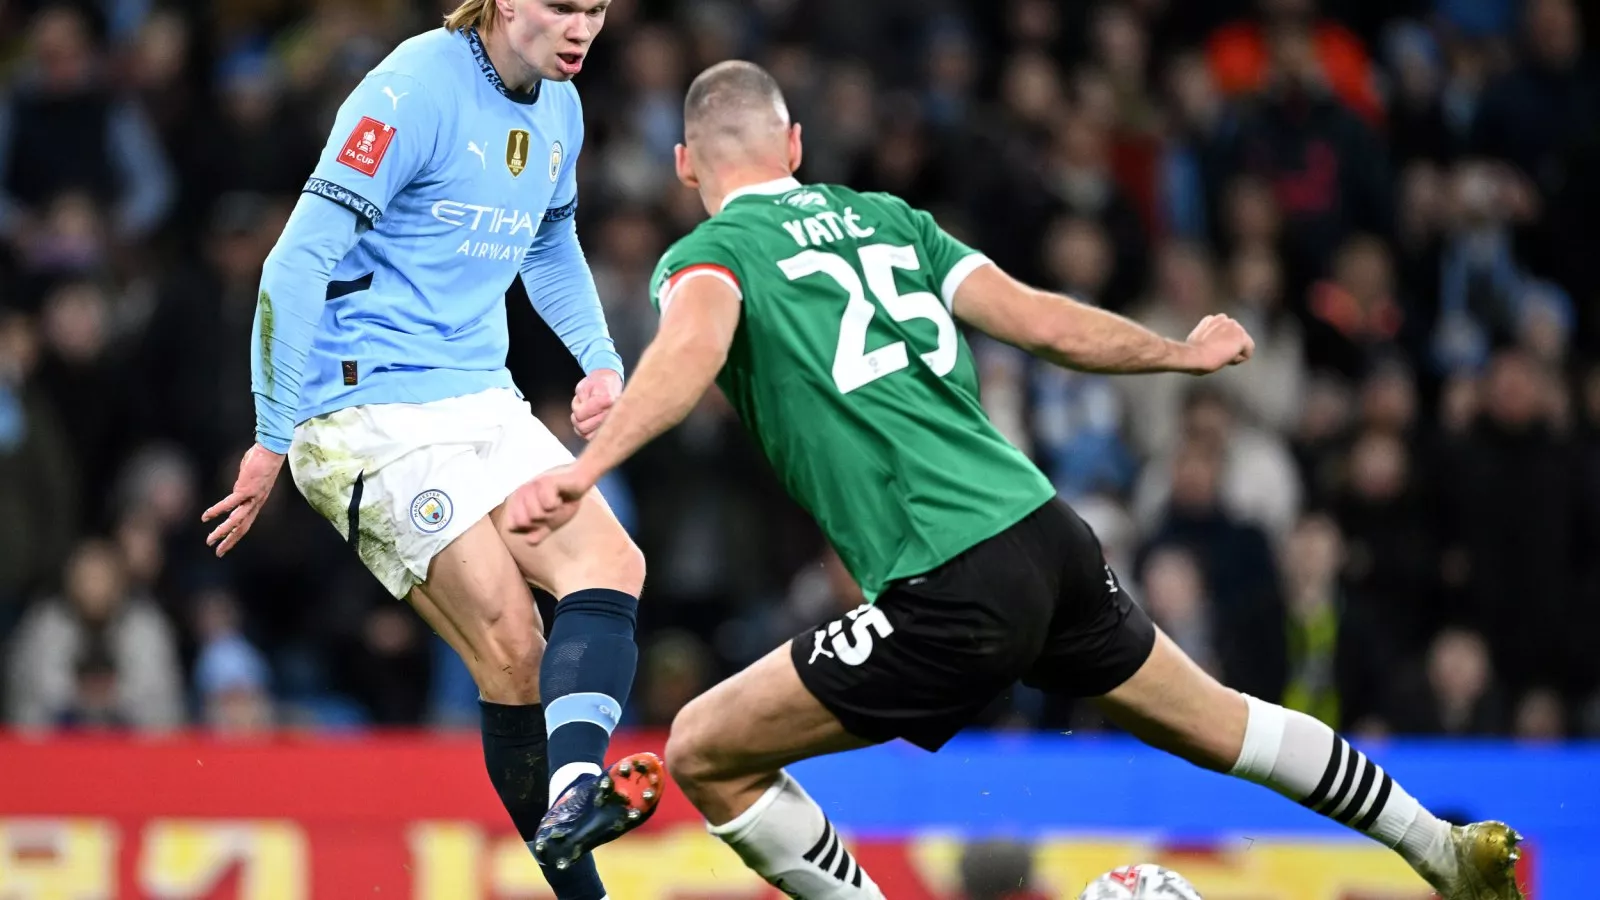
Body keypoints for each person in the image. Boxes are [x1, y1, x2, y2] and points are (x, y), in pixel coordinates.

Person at [509, 61, 1524, 900]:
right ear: (798, 146)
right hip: (1047, 533)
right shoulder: (893, 221)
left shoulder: (711, 252)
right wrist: (1176, 352)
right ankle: (1438, 848)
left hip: (944, 575)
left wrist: (591, 461)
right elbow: (1043, 319)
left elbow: (689, 353)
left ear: (687, 165)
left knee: (703, 751)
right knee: (1225, 722)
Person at [199, 2, 659, 898]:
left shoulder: (560, 106)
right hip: (361, 409)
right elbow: (294, 262)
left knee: (613, 560)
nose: (583, 29)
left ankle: (572, 792)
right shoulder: (410, 88)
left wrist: (601, 361)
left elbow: (552, 238)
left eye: (597, 9)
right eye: (564, 6)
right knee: (511, 645)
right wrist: (270, 435)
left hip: (478, 392)